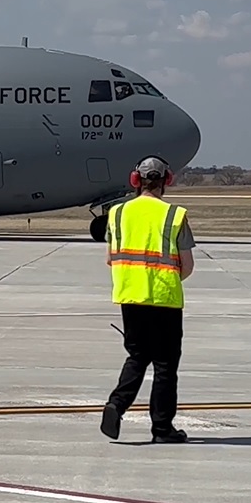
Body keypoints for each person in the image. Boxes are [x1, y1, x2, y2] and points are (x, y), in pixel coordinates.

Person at [100, 155, 195, 444]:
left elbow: (110, 258)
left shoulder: (117, 213)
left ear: (135, 181)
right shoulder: (174, 215)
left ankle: (116, 404)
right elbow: (187, 265)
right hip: (164, 299)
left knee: (138, 356)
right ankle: (162, 429)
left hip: (130, 297)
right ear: (167, 181)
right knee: (165, 365)